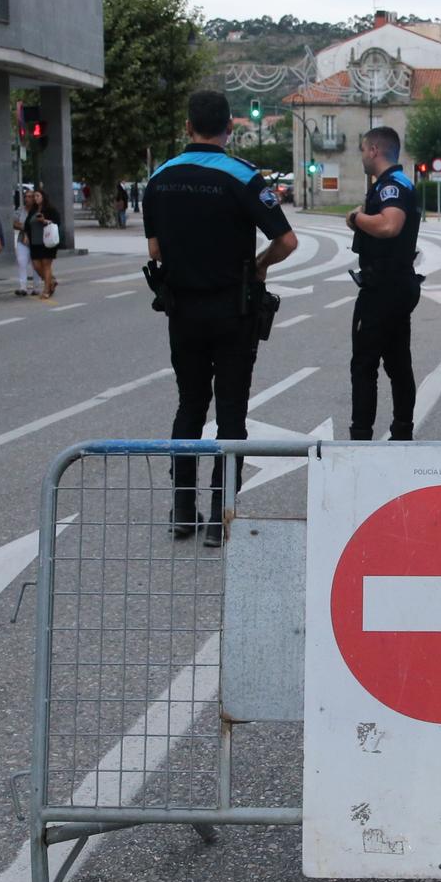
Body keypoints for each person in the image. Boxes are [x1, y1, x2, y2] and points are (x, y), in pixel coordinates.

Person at [144, 89, 298, 545]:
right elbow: (287, 242)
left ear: (188, 127)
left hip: (182, 312)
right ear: (229, 128)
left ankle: (182, 511)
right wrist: (259, 265)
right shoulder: (244, 177)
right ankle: (219, 516)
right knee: (231, 412)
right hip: (233, 310)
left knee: (189, 406)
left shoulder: (160, 179)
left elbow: (154, 251)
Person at [346, 126, 424, 441]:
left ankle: (361, 438)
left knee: (364, 366)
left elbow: (390, 225)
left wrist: (355, 218)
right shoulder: (398, 183)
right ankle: (402, 431)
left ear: (375, 150)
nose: (363, 155)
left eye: (364, 149)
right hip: (397, 285)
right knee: (397, 362)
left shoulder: (391, 186)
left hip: (383, 288)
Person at [26, 186, 61, 298]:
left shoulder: (51, 210)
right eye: (34, 196)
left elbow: (57, 223)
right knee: (36, 265)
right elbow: (27, 224)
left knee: (46, 265)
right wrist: (26, 235)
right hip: (35, 242)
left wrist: (44, 221)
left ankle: (46, 290)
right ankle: (51, 281)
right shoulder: (33, 210)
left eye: (37, 196)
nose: (35, 198)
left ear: (43, 197)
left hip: (47, 241)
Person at [10, 188, 41, 297]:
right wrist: (25, 227)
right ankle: (23, 287)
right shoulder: (21, 210)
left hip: (36, 240)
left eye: (30, 197)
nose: (27, 199)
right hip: (22, 240)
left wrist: (23, 226)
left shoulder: (38, 210)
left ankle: (36, 287)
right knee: (21, 262)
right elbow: (14, 223)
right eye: (26, 197)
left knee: (35, 264)